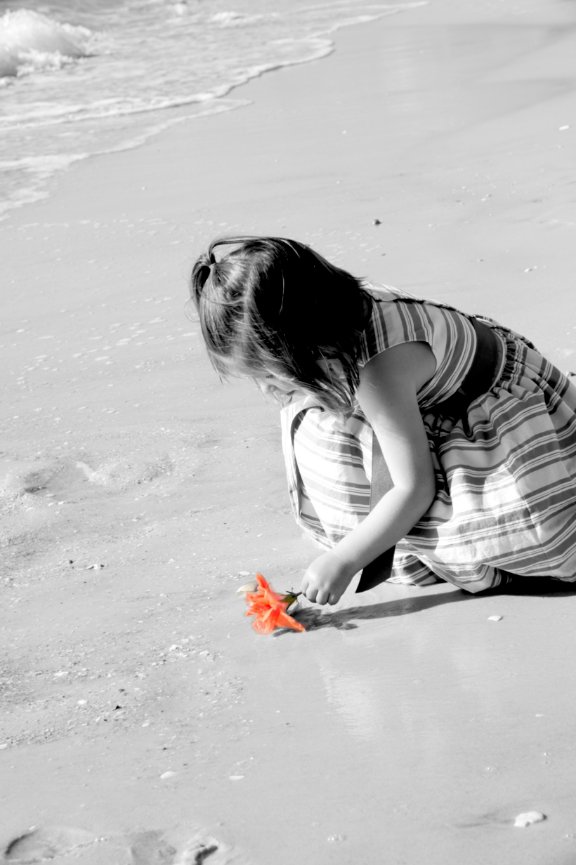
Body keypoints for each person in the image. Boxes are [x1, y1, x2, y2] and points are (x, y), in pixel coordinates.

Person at [190, 235, 576, 606]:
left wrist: (345, 559)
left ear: (308, 344)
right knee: (314, 417)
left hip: (494, 421)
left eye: (270, 375)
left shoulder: (381, 370)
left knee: (528, 536)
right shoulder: (339, 311)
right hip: (428, 399)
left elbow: (414, 489)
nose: (265, 390)